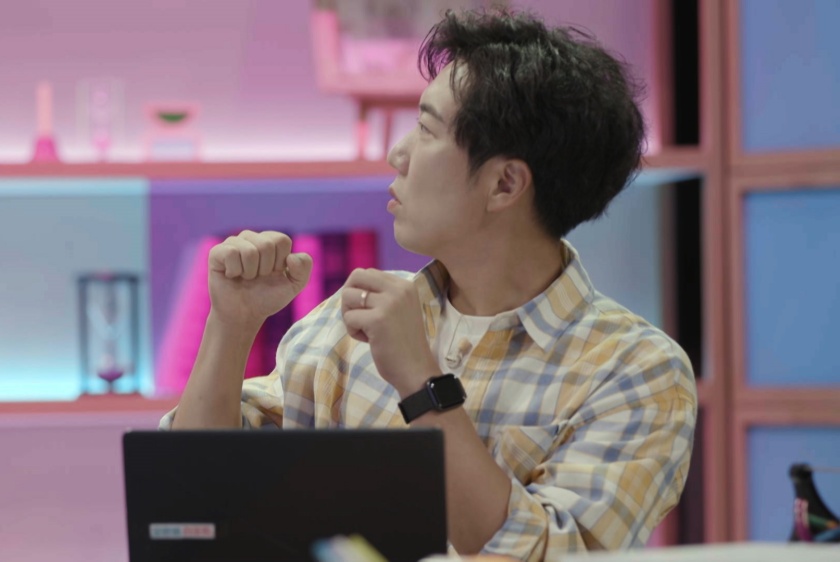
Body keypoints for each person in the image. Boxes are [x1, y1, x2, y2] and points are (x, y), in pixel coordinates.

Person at [163, 8, 696, 561]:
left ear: (505, 183)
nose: (397, 155)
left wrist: (422, 382)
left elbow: (548, 554)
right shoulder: (348, 319)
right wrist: (231, 326)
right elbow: (194, 501)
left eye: (426, 130)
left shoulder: (636, 371)